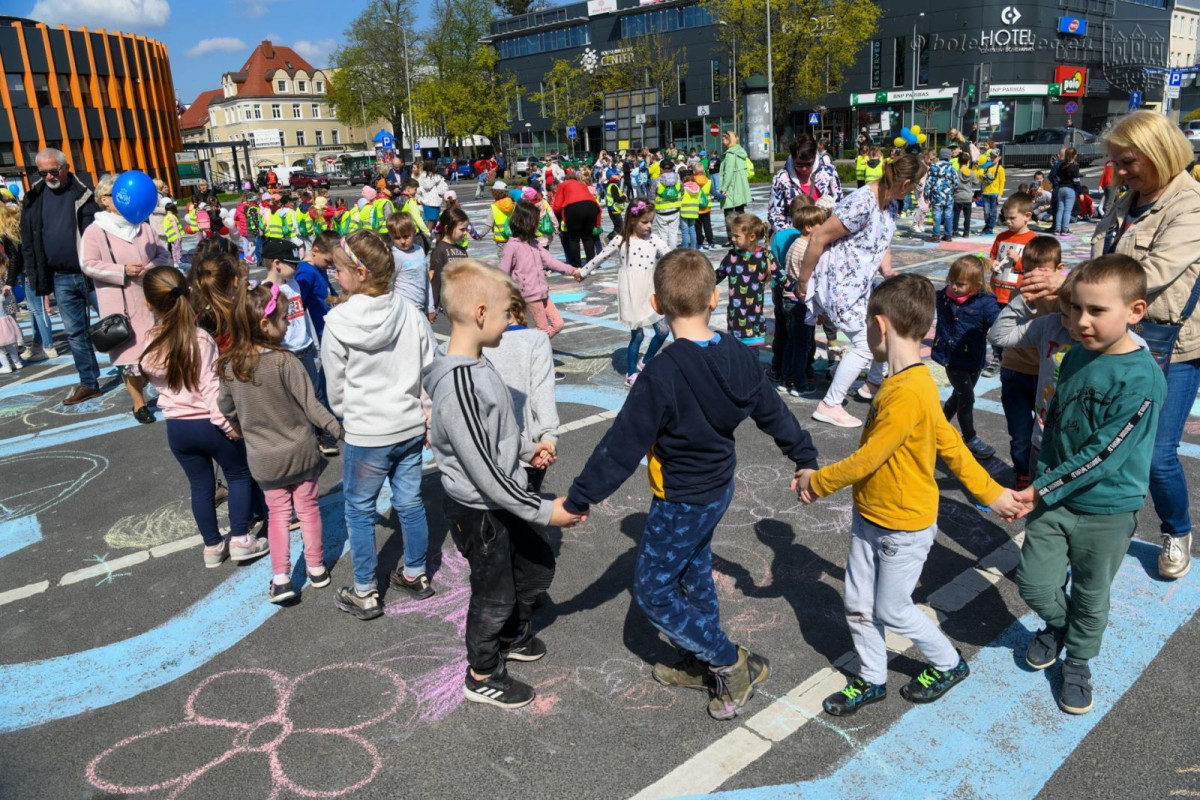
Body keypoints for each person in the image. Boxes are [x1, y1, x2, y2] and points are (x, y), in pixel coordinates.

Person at [563, 248, 818, 720]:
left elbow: (621, 445)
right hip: (717, 487)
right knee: (693, 570)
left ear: (657, 304)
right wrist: (803, 456)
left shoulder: (663, 372)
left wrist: (579, 499)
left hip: (683, 495)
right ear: (715, 298)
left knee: (654, 591)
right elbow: (774, 412)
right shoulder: (737, 352)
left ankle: (727, 660)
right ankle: (707, 658)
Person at [795, 274, 1026, 717]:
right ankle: (871, 677)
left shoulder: (907, 392)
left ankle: (948, 662)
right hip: (871, 515)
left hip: (904, 524)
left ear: (880, 327)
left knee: (894, 609)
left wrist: (817, 483)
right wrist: (991, 492)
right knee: (858, 605)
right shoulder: (912, 384)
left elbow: (869, 458)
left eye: (865, 324)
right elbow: (952, 445)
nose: (864, 331)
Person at [1021, 111, 1200, 580]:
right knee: (1078, 428)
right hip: (1106, 336)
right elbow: (1101, 263)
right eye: (1116, 163)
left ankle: (1176, 529)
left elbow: (1150, 276)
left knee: (1158, 453)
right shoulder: (1126, 199)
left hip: (1166, 344)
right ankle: (1078, 519)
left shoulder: (1191, 206)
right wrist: (1065, 291)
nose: (1118, 172)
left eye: (1127, 162)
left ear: (1161, 155)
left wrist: (1067, 285)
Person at [425, 259, 582, 709]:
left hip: (501, 496)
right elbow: (485, 473)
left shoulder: (480, 364)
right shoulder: (458, 383)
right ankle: (483, 671)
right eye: (504, 312)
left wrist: (527, 448)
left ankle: (510, 635)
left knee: (533, 569)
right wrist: (545, 510)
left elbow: (496, 437)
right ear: (479, 314)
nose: (511, 319)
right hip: (482, 511)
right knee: (493, 593)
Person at [1013, 255, 1166, 714]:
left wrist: (1042, 488)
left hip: (1106, 509)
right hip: (1055, 497)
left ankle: (1079, 659)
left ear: (1135, 311)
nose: (1081, 322)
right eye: (1075, 308)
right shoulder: (1078, 352)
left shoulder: (1142, 379)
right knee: (1034, 584)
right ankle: (1061, 626)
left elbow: (1104, 454)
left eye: (1097, 311)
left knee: (1091, 593)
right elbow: (1059, 411)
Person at [321, 231, 436, 619]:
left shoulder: (337, 321)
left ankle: (366, 590)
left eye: (339, 269)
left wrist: (347, 415)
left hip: (367, 430)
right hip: (407, 426)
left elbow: (334, 385)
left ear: (360, 272)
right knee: (409, 500)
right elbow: (427, 368)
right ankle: (416, 572)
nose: (335, 275)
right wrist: (425, 415)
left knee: (359, 509)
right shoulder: (410, 312)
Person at [217, 282, 343, 603]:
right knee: (309, 509)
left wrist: (237, 422)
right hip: (301, 453)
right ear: (264, 324)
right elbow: (312, 405)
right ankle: (316, 568)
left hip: (264, 459)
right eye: (284, 318)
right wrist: (340, 430)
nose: (289, 323)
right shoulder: (286, 362)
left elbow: (225, 407)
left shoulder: (231, 366)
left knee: (278, 516)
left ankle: (281, 577)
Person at [139, 266, 262, 568]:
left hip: (177, 428)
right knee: (238, 474)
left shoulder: (151, 341)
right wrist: (227, 424)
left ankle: (211, 546)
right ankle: (241, 539)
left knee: (200, 486)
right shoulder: (200, 339)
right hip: (208, 422)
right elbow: (210, 388)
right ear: (189, 294)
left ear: (148, 303)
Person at [796, 155, 926, 428]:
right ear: (904, 183)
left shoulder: (890, 203)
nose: (915, 191)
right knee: (864, 345)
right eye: (915, 186)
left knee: (883, 329)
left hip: (861, 282)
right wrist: (803, 281)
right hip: (840, 282)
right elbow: (819, 237)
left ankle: (872, 385)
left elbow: (883, 241)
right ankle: (830, 404)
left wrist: (887, 271)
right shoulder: (862, 202)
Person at [81, 172, 173, 422]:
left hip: (149, 298)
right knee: (129, 357)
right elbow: (88, 264)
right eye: (117, 195)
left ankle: (166, 394)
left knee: (158, 350)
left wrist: (150, 267)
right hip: (119, 303)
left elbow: (163, 255)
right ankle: (138, 403)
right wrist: (120, 271)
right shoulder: (96, 230)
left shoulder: (142, 226)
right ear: (105, 199)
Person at [988, 238, 1074, 481]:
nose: (1034, 277)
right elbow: (998, 333)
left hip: (1047, 374)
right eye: (1027, 271)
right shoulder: (1021, 291)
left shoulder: (1064, 299)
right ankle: (1022, 473)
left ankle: (1042, 477)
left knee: (1046, 433)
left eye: (1042, 271)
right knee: (1020, 435)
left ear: (1060, 270)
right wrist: (1023, 299)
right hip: (1015, 370)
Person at [20, 148, 101, 404]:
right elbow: (29, 240)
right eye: (42, 172)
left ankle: (136, 371)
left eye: (53, 171)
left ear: (65, 167)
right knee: (75, 333)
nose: (48, 176)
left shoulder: (85, 193)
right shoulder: (34, 197)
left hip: (93, 273)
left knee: (117, 322)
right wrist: (34, 276)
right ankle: (89, 382)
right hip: (60, 277)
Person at [577, 200, 672, 387]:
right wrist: (582, 272)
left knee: (663, 331)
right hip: (631, 291)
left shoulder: (654, 239)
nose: (649, 226)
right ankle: (630, 374)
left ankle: (644, 361)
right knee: (638, 336)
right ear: (632, 220)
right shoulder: (621, 241)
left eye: (651, 221)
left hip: (651, 290)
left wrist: (690, 265)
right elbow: (600, 257)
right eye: (645, 222)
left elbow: (671, 255)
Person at [482, 286, 560, 493]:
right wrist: (549, 439)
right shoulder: (536, 339)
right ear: (520, 309)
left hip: (486, 451)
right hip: (529, 450)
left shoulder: (478, 342)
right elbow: (542, 393)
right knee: (526, 514)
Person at [931, 255, 1001, 459]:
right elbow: (924, 298)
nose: (953, 287)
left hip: (974, 358)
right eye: (951, 281)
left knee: (958, 395)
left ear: (977, 284)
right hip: (951, 358)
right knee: (966, 397)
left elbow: (997, 324)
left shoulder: (986, 302)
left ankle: (937, 428)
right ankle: (970, 438)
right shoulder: (943, 296)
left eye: (960, 284)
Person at [498, 200, 578, 340]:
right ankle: (538, 351)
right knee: (542, 328)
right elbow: (502, 272)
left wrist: (572, 270)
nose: (539, 224)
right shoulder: (512, 246)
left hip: (543, 292)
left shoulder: (534, 243)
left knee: (558, 324)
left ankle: (534, 345)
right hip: (529, 294)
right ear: (526, 222)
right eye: (536, 221)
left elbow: (550, 261)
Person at [716, 213, 785, 347]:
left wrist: (799, 289)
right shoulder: (731, 257)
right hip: (735, 322)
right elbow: (715, 277)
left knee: (753, 359)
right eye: (732, 235)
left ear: (751, 237)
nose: (733, 239)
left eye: (737, 236)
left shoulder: (765, 256)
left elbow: (783, 278)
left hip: (754, 324)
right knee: (737, 359)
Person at [781, 203, 829, 396]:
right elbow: (809, 277)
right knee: (802, 345)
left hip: (790, 299)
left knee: (792, 343)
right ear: (808, 226)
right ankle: (800, 383)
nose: (824, 227)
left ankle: (787, 379)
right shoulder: (805, 248)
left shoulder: (796, 244)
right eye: (820, 224)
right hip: (800, 302)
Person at [1, 202, 57, 362]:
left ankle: (48, 346)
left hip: (34, 271)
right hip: (29, 271)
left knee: (39, 310)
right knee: (34, 310)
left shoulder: (11, 231)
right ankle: (38, 343)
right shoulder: (15, 227)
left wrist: (9, 281)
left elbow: (15, 257)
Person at [768, 135, 843, 235]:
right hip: (794, 237)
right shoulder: (781, 178)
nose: (804, 168)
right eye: (798, 164)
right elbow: (775, 215)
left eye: (808, 164)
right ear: (792, 158)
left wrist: (830, 211)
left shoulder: (829, 172)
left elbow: (840, 204)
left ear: (815, 157)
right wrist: (791, 236)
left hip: (825, 235)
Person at [387, 213, 436, 323]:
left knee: (427, 340)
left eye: (406, 236)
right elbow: (387, 282)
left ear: (413, 232)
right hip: (404, 310)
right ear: (391, 236)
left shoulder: (419, 250)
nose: (403, 241)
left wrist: (430, 307)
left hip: (420, 307)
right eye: (397, 238)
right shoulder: (395, 255)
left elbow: (426, 280)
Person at [718, 131, 752, 244]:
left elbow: (728, 173)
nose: (722, 141)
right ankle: (743, 235)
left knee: (728, 213)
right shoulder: (740, 152)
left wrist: (723, 188)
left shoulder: (730, 154)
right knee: (740, 211)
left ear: (729, 140)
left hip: (732, 188)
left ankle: (732, 238)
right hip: (740, 188)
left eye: (723, 139)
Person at [923, 148, 958, 243]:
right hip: (948, 196)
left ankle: (936, 235)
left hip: (936, 195)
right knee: (948, 215)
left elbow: (928, 182)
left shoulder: (934, 167)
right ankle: (948, 235)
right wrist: (952, 190)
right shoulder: (951, 167)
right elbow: (956, 182)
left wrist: (926, 195)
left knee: (937, 215)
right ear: (949, 157)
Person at [651, 160, 682, 247]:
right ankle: (672, 252)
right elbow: (682, 191)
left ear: (661, 169)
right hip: (675, 209)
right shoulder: (678, 179)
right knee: (673, 233)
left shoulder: (657, 180)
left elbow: (651, 195)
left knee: (663, 233)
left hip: (661, 210)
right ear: (673, 169)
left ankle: (664, 253)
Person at [0, 250, 22, 372]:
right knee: (12, 326)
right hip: (9, 300)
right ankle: (17, 358)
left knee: (1, 345)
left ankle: (6, 365)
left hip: (3, 303)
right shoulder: (6, 267)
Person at [952, 154, 980, 239]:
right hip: (968, 196)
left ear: (958, 162)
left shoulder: (956, 172)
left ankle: (955, 230)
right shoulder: (971, 172)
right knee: (967, 215)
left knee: (956, 215)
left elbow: (953, 184)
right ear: (967, 162)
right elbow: (976, 183)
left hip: (957, 196)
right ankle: (966, 231)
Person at [1053, 147, 1080, 235]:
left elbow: (1057, 177)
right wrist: (1080, 192)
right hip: (1070, 189)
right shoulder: (1075, 166)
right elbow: (1076, 181)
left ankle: (1057, 228)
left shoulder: (1061, 165)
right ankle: (1065, 229)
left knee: (1060, 209)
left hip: (1061, 188)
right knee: (1067, 210)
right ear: (1074, 155)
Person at [417, 160, 448, 231]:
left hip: (429, 201)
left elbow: (419, 189)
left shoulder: (422, 176)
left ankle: (428, 235)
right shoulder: (435, 177)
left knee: (432, 221)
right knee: (431, 222)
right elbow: (430, 186)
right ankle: (427, 236)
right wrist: (440, 180)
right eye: (435, 165)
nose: (436, 167)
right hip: (432, 202)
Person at [979, 151, 1005, 235]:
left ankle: (990, 228)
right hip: (986, 192)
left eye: (994, 157)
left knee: (993, 212)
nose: (992, 159)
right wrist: (982, 177)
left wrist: (1000, 194)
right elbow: (983, 180)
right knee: (986, 212)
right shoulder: (987, 168)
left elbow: (1002, 182)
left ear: (999, 158)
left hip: (994, 193)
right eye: (991, 157)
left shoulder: (1001, 169)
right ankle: (987, 225)